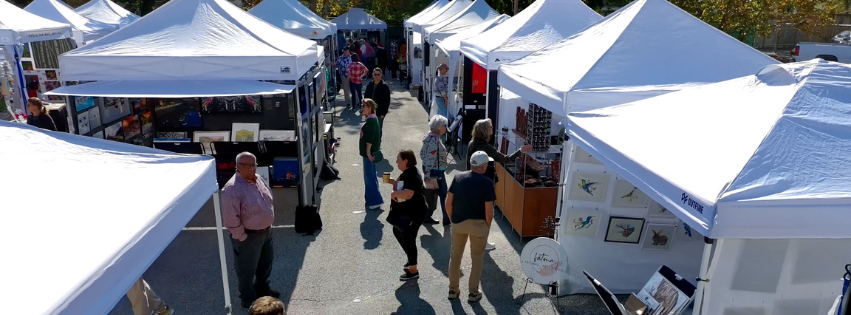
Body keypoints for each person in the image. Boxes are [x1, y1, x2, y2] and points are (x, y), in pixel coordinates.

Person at [221, 152, 279, 308]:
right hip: (248, 236)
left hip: (266, 232)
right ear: (238, 166)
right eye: (249, 165)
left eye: (255, 164)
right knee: (247, 269)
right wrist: (242, 237)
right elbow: (230, 219)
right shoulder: (232, 189)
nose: (253, 168)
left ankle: (262, 289)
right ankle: (248, 299)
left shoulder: (258, 179)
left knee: (266, 263)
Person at [467, 118, 532, 250]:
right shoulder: (487, 148)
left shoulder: (471, 144)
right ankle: (482, 241)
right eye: (490, 127)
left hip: (472, 181)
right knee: (486, 213)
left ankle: (476, 239)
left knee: (476, 212)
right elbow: (505, 159)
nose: (492, 128)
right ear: (485, 131)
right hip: (485, 184)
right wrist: (521, 150)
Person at [446, 151, 496, 302]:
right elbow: (489, 211)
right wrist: (487, 226)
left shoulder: (458, 177)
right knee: (477, 259)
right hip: (478, 225)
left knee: (455, 257)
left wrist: (453, 221)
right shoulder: (487, 182)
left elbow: (448, 204)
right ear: (483, 166)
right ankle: (473, 293)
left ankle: (453, 290)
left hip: (458, 224)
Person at [388, 149, 428, 281]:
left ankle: (413, 270)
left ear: (406, 161)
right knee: (397, 229)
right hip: (411, 211)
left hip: (416, 212)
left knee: (408, 237)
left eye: (398, 159)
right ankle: (411, 258)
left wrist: (394, 194)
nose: (396, 162)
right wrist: (391, 182)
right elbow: (402, 186)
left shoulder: (411, 175)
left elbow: (408, 193)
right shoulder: (408, 172)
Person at [419, 115, 449, 225]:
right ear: (439, 127)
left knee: (435, 194)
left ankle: (435, 216)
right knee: (440, 194)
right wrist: (427, 174)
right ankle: (442, 217)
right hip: (436, 171)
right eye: (444, 125)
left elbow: (423, 155)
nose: (445, 127)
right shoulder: (433, 140)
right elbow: (428, 159)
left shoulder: (431, 138)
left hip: (435, 170)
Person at [360, 99, 384, 209]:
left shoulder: (371, 121)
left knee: (369, 177)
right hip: (371, 153)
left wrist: (368, 153)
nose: (362, 107)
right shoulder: (373, 119)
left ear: (370, 108)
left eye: (364, 106)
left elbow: (369, 139)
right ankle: (370, 198)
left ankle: (375, 201)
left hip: (369, 154)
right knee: (371, 176)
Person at [364, 67, 391, 135]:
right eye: (375, 74)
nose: (376, 76)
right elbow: (365, 98)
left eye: (378, 74)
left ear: (381, 75)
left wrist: (383, 113)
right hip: (369, 112)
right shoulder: (369, 85)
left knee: (378, 129)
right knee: (370, 129)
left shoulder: (385, 87)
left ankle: (377, 144)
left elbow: (387, 101)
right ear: (373, 74)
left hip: (379, 112)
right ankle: (370, 144)